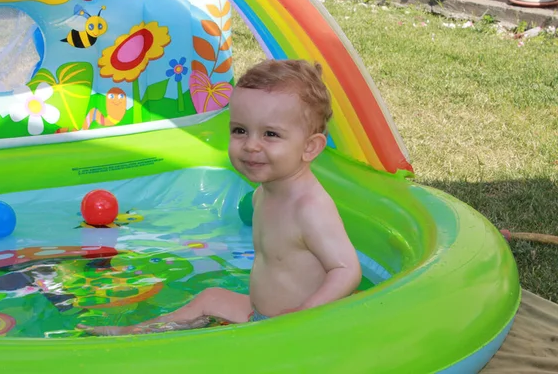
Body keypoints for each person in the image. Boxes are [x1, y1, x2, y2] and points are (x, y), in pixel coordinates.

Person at [78, 59, 362, 336]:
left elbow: (346, 269)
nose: (251, 145)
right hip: (260, 315)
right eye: (240, 130)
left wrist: (305, 314)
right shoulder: (264, 194)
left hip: (293, 327)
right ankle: (135, 333)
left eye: (271, 134)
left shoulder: (309, 207)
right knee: (210, 297)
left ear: (310, 148)